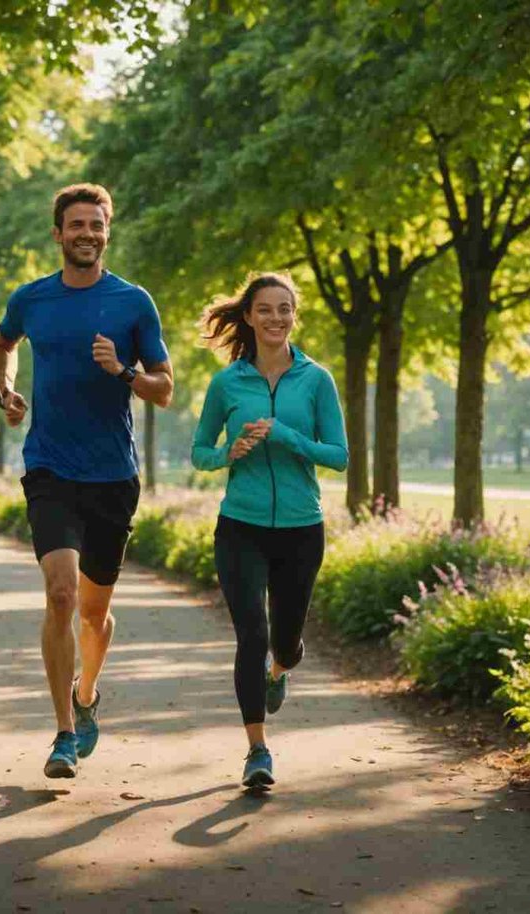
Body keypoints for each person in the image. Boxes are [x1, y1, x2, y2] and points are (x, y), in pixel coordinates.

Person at [0, 183, 174, 779]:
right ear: (58, 234)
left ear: (107, 231)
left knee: (94, 614)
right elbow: (3, 343)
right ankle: (63, 737)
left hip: (113, 475)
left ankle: (87, 694)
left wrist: (121, 370)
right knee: (61, 594)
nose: (86, 234)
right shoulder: (32, 299)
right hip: (49, 465)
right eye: (76, 225)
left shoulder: (133, 302)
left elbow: (164, 389)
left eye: (96, 225)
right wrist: (6, 388)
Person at [190, 272, 347, 790]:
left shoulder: (316, 379)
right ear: (250, 316)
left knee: (286, 641)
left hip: (302, 529)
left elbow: (339, 456)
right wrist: (227, 454)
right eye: (265, 309)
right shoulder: (227, 382)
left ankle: (279, 672)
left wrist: (286, 436)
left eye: (285, 309)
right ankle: (257, 750)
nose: (275, 318)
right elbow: (199, 451)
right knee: (251, 635)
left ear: (293, 316)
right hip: (241, 526)